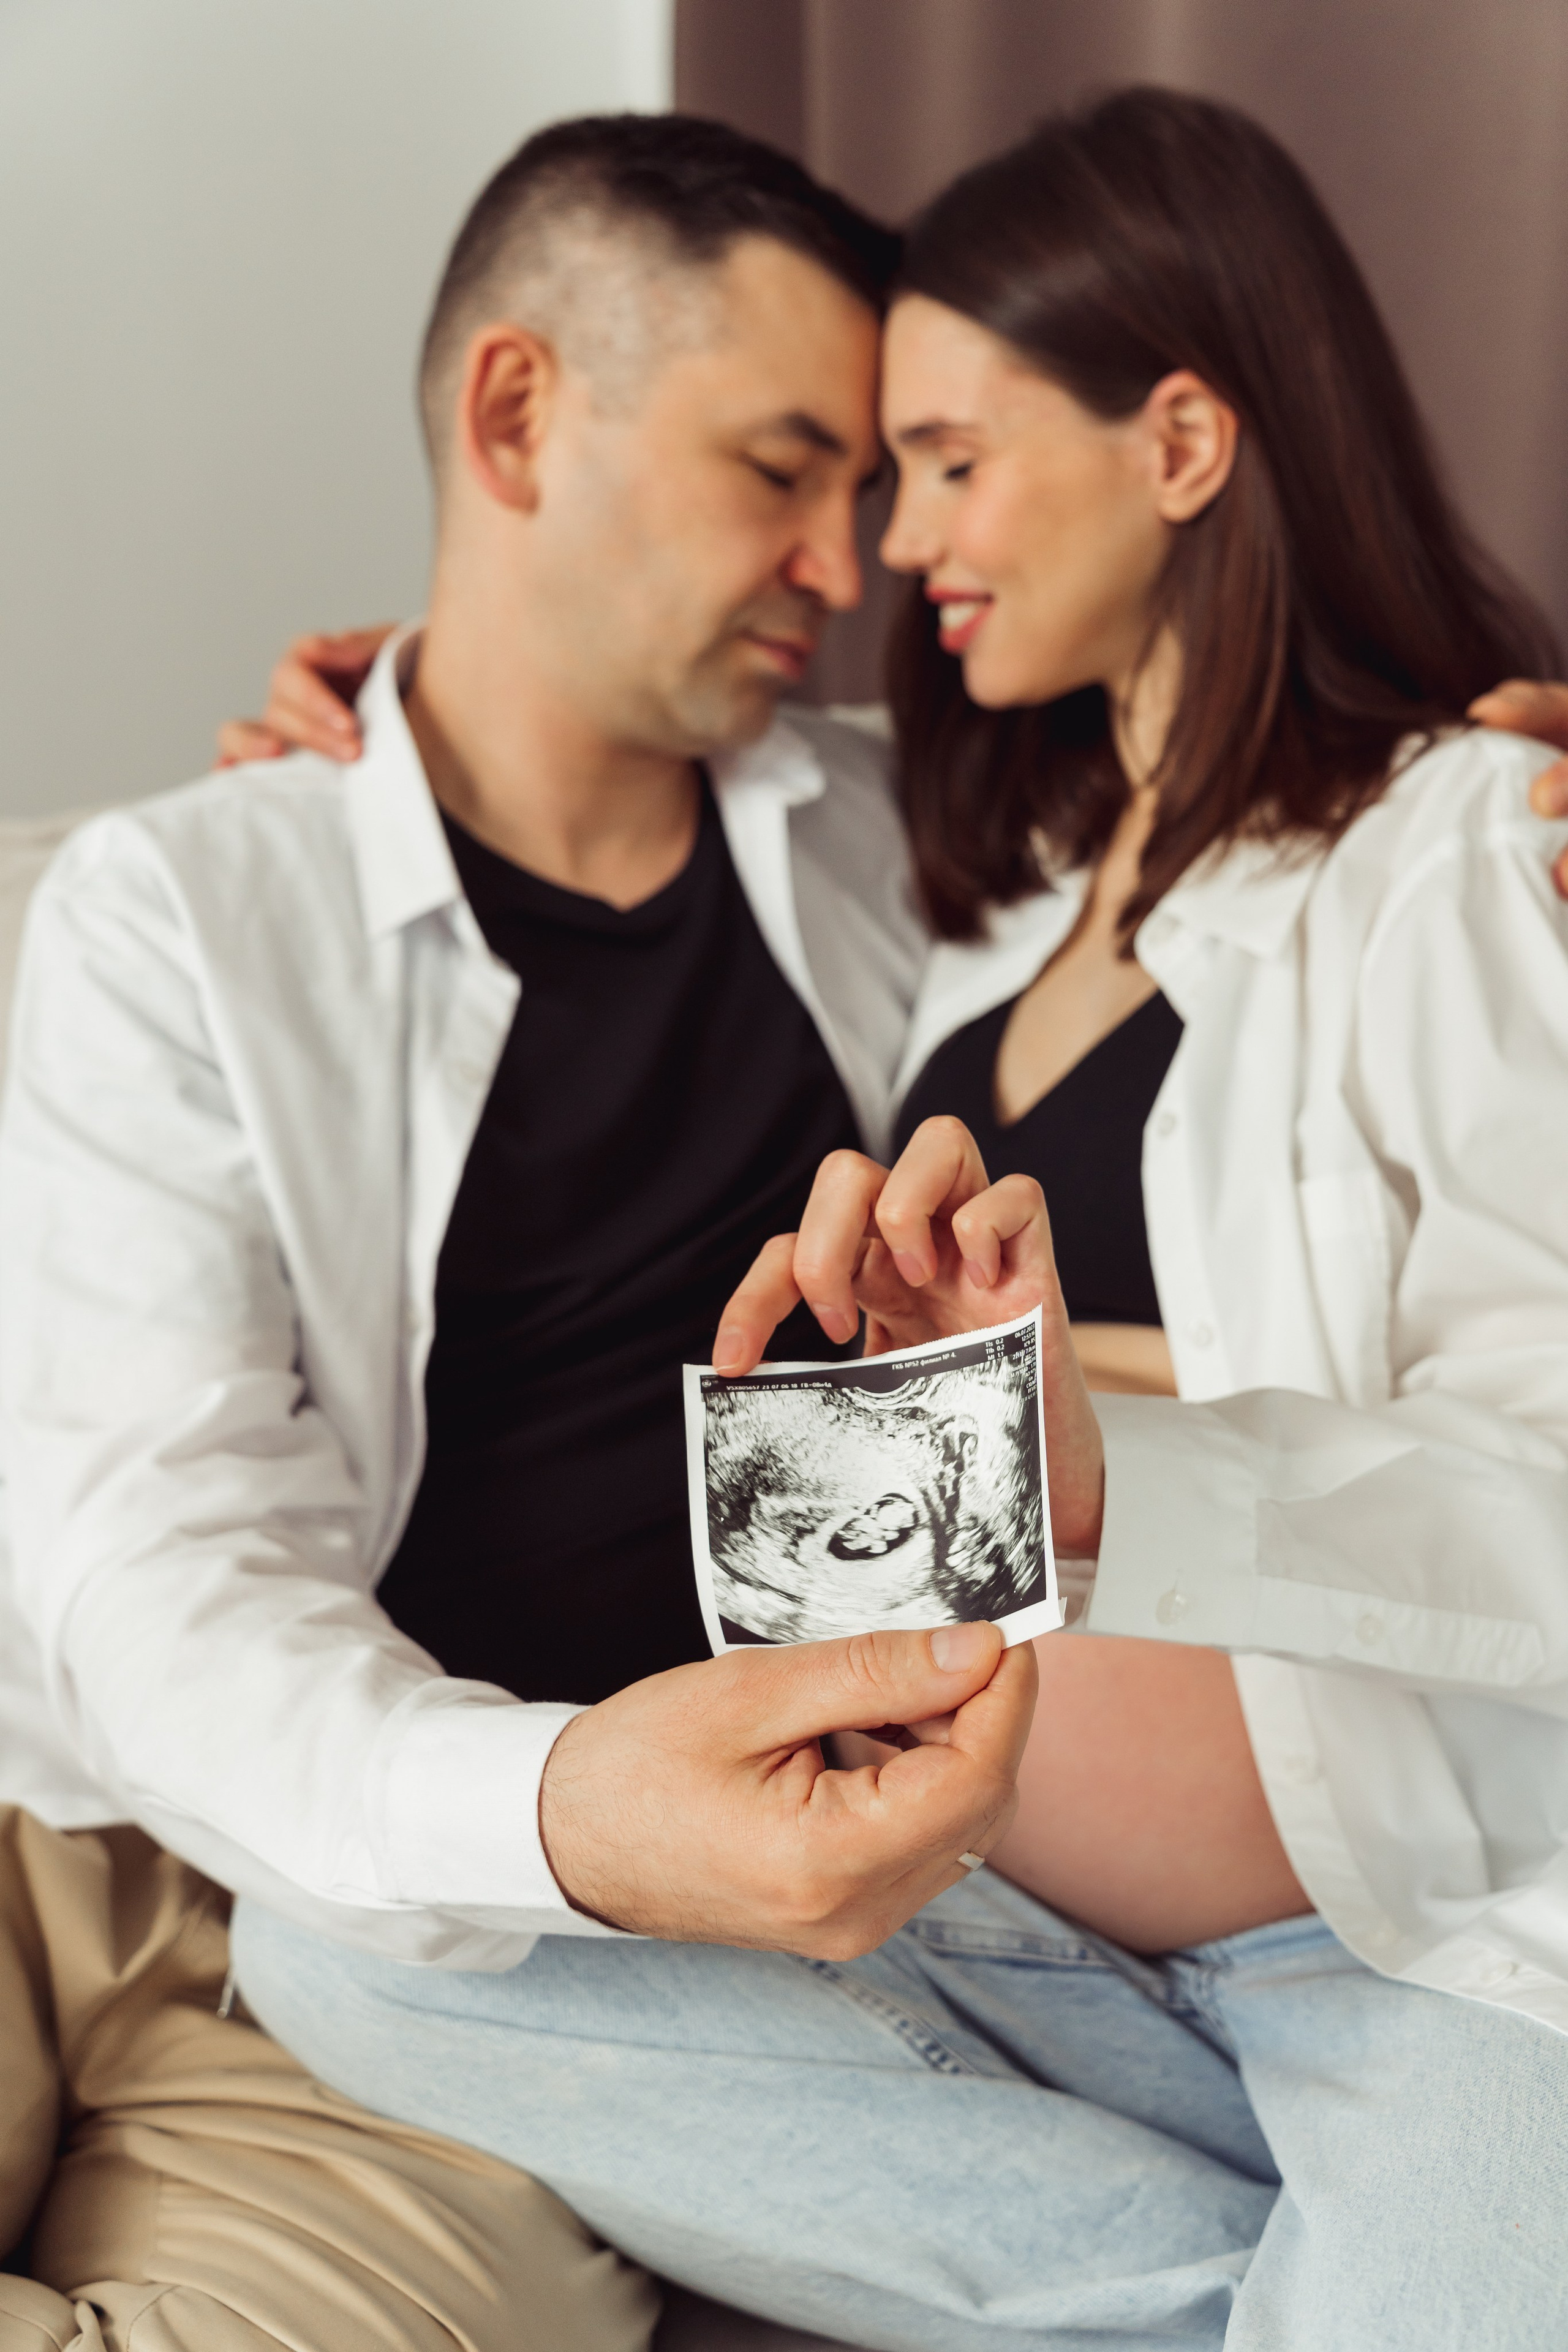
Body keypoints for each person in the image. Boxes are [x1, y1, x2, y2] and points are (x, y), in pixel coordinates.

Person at [226, 91, 1568, 2351]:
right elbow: (591, 757)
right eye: (865, 481)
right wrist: (391, 758)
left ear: (1182, 443)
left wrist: (1111, 1452)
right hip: (986, 1922)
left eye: (947, 462)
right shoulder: (973, 886)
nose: (889, 550)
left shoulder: (1464, 848)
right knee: (353, 1935)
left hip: (1408, 1937)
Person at [0, 113, 1039, 2351]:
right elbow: (150, 1564)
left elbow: (1279, 841)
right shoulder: (186, 905)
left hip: (460, 1968)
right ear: (515, 415)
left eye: (874, 488)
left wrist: (1483, 779)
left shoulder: (911, 848)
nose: (847, 563)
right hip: (65, 1826)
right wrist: (557, 1805)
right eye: (782, 469)